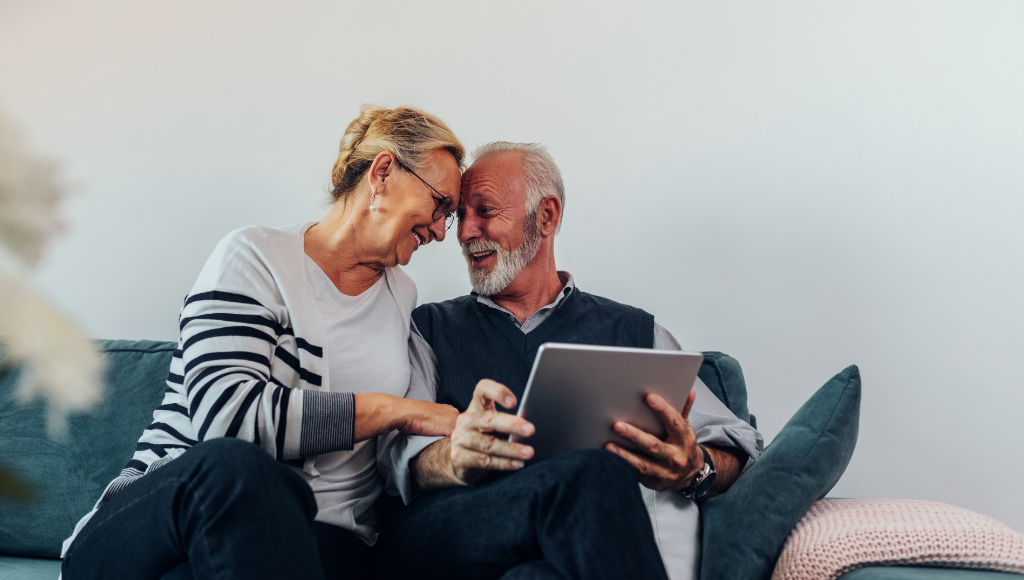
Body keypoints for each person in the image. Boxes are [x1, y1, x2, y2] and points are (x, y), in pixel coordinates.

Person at [60, 105, 467, 580]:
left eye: (449, 218)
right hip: (167, 526)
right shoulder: (254, 258)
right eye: (439, 205)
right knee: (237, 468)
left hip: (318, 544)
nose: (440, 231)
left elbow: (407, 450)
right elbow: (228, 421)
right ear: (382, 173)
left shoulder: (403, 299)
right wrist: (397, 410)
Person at [374, 142, 764, 580]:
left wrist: (696, 468)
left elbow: (739, 447)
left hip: (569, 547)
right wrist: (453, 455)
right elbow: (394, 457)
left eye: (484, 211)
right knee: (592, 474)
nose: (464, 232)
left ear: (547, 216)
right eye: (459, 214)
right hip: (450, 532)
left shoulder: (635, 333)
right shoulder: (428, 328)